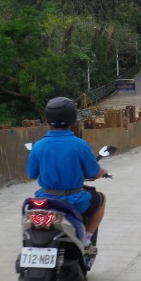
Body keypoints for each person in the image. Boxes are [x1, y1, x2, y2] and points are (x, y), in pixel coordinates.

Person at [27, 96, 108, 251]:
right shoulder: (80, 145)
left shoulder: (38, 146)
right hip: (74, 200)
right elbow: (94, 172)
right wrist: (103, 172)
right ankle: (86, 239)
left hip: (45, 199)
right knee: (101, 199)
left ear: (49, 118)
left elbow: (31, 173)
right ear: (73, 118)